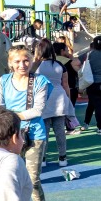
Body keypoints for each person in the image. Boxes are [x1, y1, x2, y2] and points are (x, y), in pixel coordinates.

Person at [0, 47, 52, 201]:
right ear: (10, 63)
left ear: (32, 60)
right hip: (10, 135)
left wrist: (10, 116)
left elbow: (38, 110)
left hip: (34, 134)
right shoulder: (4, 81)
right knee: (12, 179)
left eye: (26, 60)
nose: (22, 65)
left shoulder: (40, 81)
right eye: (17, 61)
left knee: (33, 179)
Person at [33, 39, 73, 167]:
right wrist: (69, 101)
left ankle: (43, 158)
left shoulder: (36, 66)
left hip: (42, 98)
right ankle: (62, 157)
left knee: (44, 130)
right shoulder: (60, 65)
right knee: (60, 130)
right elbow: (65, 85)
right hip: (59, 97)